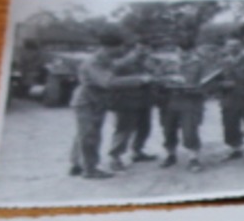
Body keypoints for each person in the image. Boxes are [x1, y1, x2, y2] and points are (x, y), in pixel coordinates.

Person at [68, 29, 149, 180]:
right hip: (87, 101)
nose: (123, 50)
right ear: (111, 47)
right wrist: (140, 79)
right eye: (121, 47)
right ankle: (90, 170)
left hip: (95, 101)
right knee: (89, 135)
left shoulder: (104, 58)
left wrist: (136, 54)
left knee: (84, 134)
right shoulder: (94, 62)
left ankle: (77, 164)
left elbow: (118, 64)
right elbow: (108, 82)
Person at [156, 39, 213, 172]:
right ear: (176, 50)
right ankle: (170, 154)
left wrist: (196, 89)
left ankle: (193, 158)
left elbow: (208, 83)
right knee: (168, 130)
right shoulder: (168, 63)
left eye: (187, 51)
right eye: (180, 50)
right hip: (169, 101)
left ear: (192, 50)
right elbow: (157, 78)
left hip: (190, 101)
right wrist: (168, 79)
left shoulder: (199, 64)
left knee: (190, 131)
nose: (183, 54)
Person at [106, 41, 157, 172]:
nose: (144, 51)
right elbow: (111, 83)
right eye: (141, 48)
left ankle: (137, 152)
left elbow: (153, 77)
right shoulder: (121, 64)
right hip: (126, 103)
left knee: (145, 128)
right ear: (133, 48)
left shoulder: (147, 62)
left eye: (147, 48)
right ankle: (114, 157)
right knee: (123, 130)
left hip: (144, 101)